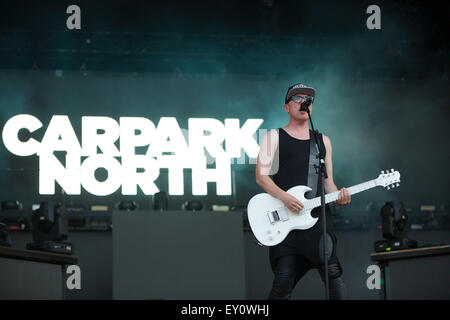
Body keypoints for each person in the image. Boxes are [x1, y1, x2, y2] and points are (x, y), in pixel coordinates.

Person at [255, 83, 351, 300]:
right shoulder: (273, 137)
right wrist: (285, 197)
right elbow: (261, 177)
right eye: (298, 98)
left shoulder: (323, 141)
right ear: (286, 107)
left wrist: (340, 196)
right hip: (287, 221)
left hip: (318, 221)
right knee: (284, 279)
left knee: (333, 273)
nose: (304, 102)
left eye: (308, 99)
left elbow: (329, 183)